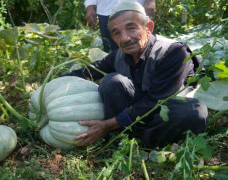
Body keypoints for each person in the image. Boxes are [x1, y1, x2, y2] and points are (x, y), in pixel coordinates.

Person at [67, 1, 208, 148]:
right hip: (139, 112)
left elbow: (157, 101)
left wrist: (106, 125)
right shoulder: (119, 54)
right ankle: (134, 136)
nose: (125, 38)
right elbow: (90, 71)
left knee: (193, 111)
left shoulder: (174, 52)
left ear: (148, 28)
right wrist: (55, 83)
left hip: (165, 112)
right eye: (117, 33)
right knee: (112, 81)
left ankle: (135, 137)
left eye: (131, 28)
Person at [85, 0, 156, 53]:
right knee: (111, 50)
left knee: (142, 46)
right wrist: (90, 7)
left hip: (135, 7)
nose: (125, 38)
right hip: (106, 10)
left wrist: (150, 1)